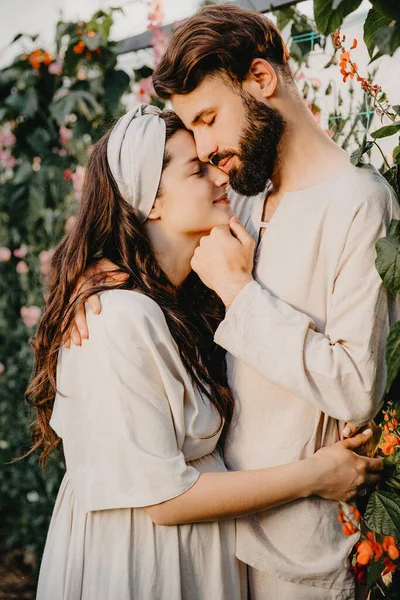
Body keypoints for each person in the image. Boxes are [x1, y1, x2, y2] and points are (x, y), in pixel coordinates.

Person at [26, 106, 382, 600]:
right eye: (197, 170)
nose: (221, 176)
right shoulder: (118, 319)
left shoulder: (183, 302)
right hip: (141, 566)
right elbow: (165, 498)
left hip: (192, 560)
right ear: (149, 201)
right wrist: (316, 475)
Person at [150, 5, 400, 599]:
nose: (205, 148)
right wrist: (92, 296)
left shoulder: (359, 203)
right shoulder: (238, 200)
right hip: (218, 534)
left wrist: (241, 292)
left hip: (303, 553)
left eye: (209, 118)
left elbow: (356, 386)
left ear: (261, 80)